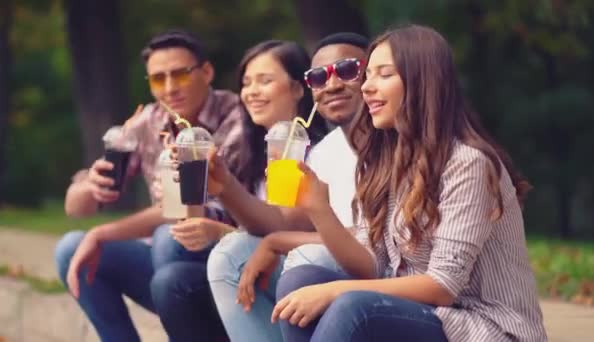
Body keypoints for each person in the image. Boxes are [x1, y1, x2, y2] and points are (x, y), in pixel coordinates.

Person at [273, 24, 548, 342]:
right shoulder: (388, 163)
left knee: (352, 305)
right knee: (302, 282)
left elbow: (442, 287)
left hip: (484, 327)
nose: (366, 87)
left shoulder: (468, 163)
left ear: (422, 82)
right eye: (368, 75)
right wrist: (318, 208)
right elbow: (371, 266)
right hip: (425, 316)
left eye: (383, 74)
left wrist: (336, 290)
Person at [54, 29, 246, 342]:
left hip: (221, 266)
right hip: (163, 263)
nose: (170, 89)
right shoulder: (150, 120)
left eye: (180, 74)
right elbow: (75, 209)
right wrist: (91, 184)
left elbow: (187, 208)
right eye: (158, 79)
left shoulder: (235, 117)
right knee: (70, 248)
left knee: (169, 236)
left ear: (207, 72)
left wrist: (103, 232)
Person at [203, 32, 369, 342]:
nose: (331, 84)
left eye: (346, 70)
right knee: (229, 255)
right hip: (334, 260)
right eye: (319, 77)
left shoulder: (394, 142)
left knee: (307, 262)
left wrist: (276, 241)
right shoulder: (324, 152)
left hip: (378, 273)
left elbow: (372, 241)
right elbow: (284, 219)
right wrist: (224, 184)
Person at [161, 38, 328, 339]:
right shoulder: (253, 153)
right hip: (259, 261)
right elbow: (192, 213)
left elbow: (287, 223)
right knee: (173, 278)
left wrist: (223, 220)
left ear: (297, 89)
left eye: (265, 81)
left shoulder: (314, 153)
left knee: (217, 255)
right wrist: (190, 180)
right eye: (247, 82)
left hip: (304, 269)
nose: (251, 92)